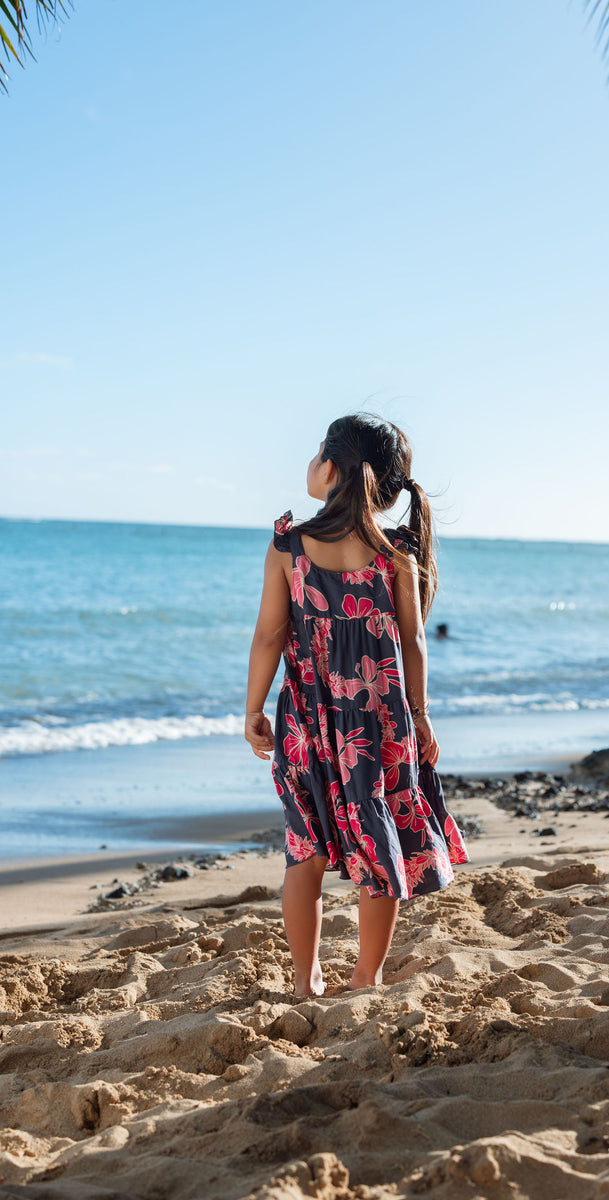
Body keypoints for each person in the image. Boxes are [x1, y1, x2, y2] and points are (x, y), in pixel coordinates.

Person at [245, 414, 468, 997]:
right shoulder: (396, 553)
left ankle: (304, 977)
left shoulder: (289, 545)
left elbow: (269, 635)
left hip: (308, 725)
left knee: (305, 852)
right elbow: (415, 643)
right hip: (379, 724)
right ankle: (365, 975)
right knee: (380, 838)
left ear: (334, 469)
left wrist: (253, 709)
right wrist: (419, 717)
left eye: (318, 451)